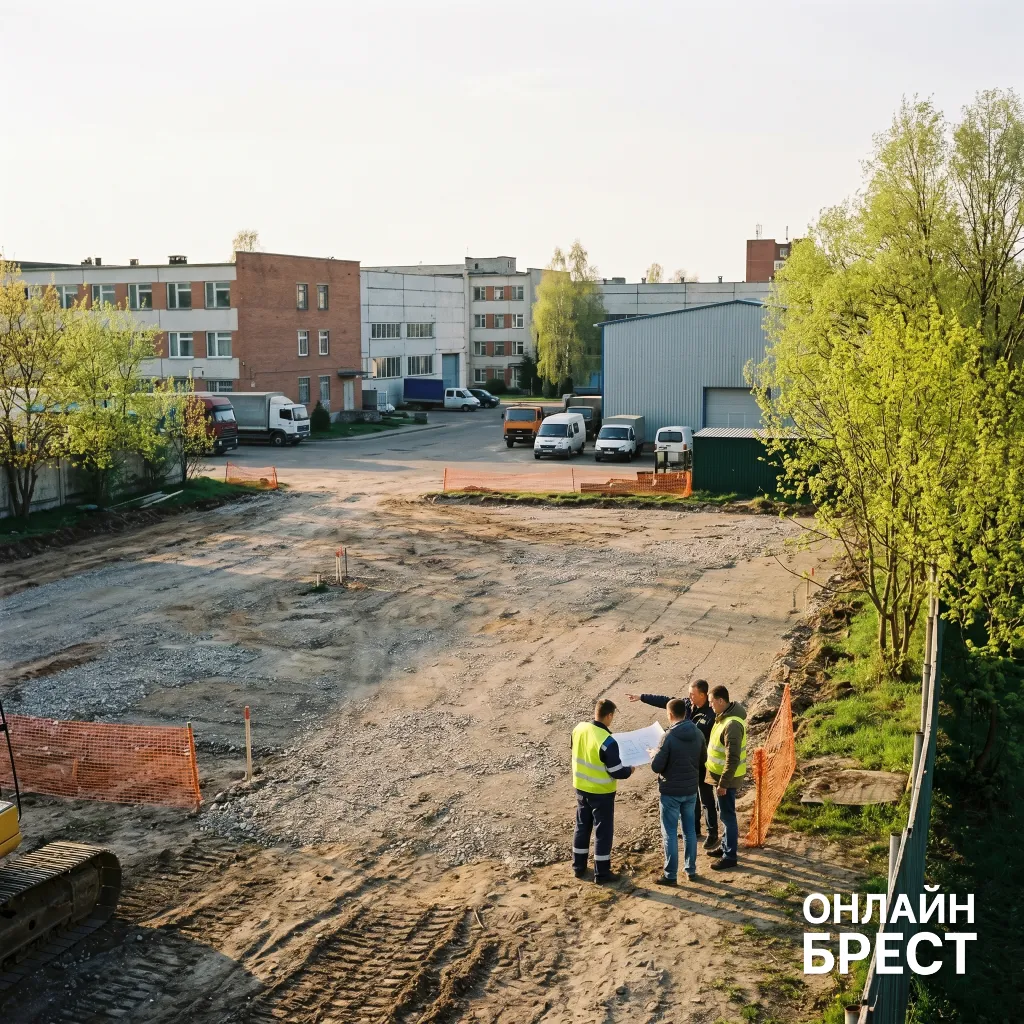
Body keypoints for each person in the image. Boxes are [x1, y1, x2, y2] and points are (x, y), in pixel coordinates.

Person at [625, 681, 718, 850]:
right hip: (688, 763)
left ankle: (712, 833)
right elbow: (668, 702)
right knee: (693, 797)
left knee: (706, 798)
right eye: (689, 694)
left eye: (693, 694)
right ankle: (695, 830)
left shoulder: (712, 715)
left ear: (703, 695)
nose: (689, 697)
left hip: (703, 762)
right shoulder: (688, 705)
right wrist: (642, 697)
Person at [571, 698, 634, 884]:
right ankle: (602, 873)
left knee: (582, 827)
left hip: (581, 787)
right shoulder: (608, 741)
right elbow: (617, 771)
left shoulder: (579, 729)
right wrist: (629, 770)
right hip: (602, 792)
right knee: (603, 832)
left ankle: (578, 866)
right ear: (609, 715)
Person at [649, 697, 706, 885]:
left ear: (670, 714)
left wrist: (654, 754)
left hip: (671, 792)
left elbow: (657, 766)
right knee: (690, 832)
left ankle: (670, 875)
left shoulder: (668, 737)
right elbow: (702, 759)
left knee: (670, 833)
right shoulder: (698, 733)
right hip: (690, 790)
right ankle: (691, 870)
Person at [704, 684, 747, 871]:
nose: (710, 705)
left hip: (726, 780)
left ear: (721, 701)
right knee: (724, 815)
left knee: (728, 816)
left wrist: (723, 784)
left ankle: (730, 856)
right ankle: (724, 847)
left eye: (712, 702)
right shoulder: (724, 718)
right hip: (721, 778)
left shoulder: (732, 725)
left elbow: (733, 758)